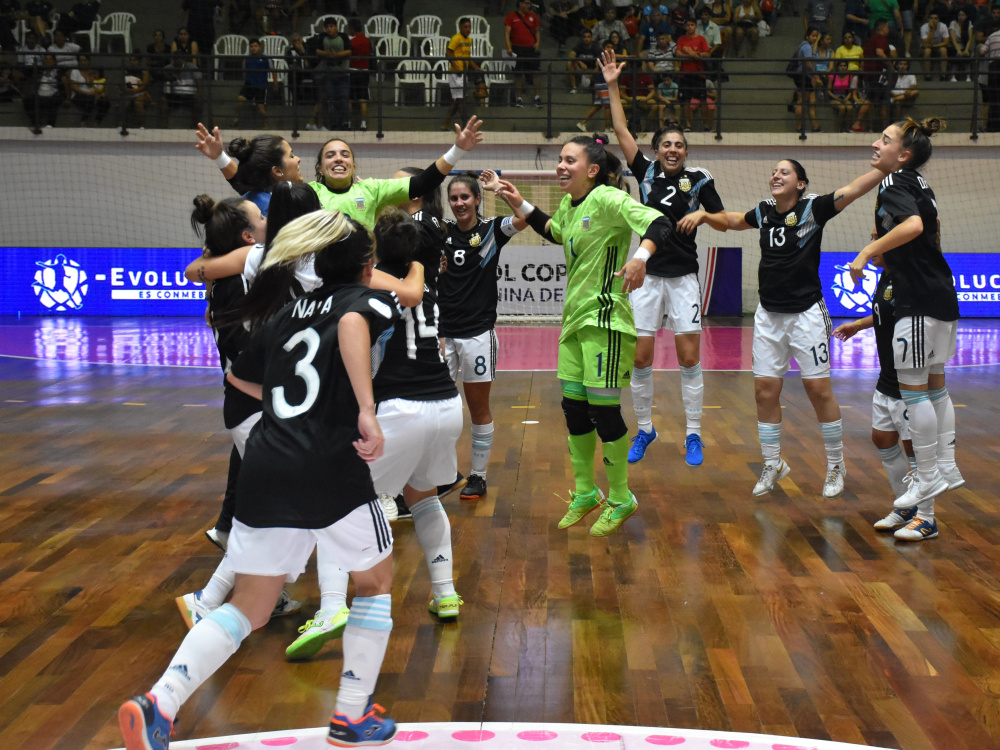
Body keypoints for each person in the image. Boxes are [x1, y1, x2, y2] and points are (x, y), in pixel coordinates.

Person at [118, 210, 402, 750]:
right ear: (367, 268)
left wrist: (284, 405)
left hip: (268, 463)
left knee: (246, 607)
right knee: (376, 582)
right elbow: (349, 326)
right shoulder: (362, 302)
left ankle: (160, 702)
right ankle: (350, 714)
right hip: (330, 466)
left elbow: (237, 378)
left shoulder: (285, 314)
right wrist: (364, 409)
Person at [495, 135, 676, 537]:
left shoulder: (609, 199)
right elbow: (556, 231)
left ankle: (621, 497)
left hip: (606, 322)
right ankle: (585, 492)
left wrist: (639, 258)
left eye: (568, 160)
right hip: (574, 322)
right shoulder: (569, 203)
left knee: (604, 411)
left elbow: (659, 223)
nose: (560, 165)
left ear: (592, 170)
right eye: (559, 159)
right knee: (573, 410)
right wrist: (517, 201)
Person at [684, 160, 884, 499]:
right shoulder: (764, 211)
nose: (776, 176)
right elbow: (733, 220)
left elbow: (853, 190)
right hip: (768, 316)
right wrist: (705, 216)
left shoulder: (813, 208)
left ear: (801, 184)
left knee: (819, 392)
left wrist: (885, 168)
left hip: (806, 313)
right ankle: (773, 462)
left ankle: (836, 464)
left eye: (784, 173)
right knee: (764, 392)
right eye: (774, 172)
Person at [601, 49, 725, 466]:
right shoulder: (646, 172)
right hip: (647, 277)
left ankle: (693, 433)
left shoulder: (700, 179)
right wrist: (614, 85)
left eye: (679, 145)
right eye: (666, 145)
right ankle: (646, 429)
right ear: (656, 151)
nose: (673, 149)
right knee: (640, 357)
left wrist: (704, 212)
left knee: (689, 357)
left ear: (686, 152)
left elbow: (725, 219)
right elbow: (620, 130)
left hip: (683, 277)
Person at [847, 117, 962, 541]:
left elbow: (912, 226)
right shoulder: (916, 181)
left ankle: (929, 479)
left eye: (885, 139)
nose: (877, 144)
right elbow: (925, 231)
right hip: (941, 295)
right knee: (935, 388)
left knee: (916, 392)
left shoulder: (895, 180)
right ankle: (942, 469)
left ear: (904, 153)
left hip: (917, 300)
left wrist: (866, 251)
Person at [435, 172, 527, 502]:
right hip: (441, 335)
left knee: (478, 409)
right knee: (435, 409)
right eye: (454, 198)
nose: (459, 203)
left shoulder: (491, 231)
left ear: (476, 199)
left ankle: (478, 475)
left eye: (465, 197)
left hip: (477, 334)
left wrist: (500, 190)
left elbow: (525, 217)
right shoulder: (439, 232)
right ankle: (439, 474)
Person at [833, 255, 918, 533]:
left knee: (914, 446)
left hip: (908, 377)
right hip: (887, 375)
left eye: (876, 238)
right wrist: (858, 325)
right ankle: (905, 508)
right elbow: (884, 313)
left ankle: (924, 514)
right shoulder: (886, 276)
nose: (871, 247)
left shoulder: (909, 275)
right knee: (882, 437)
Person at [311, 117, 484, 227]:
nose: (339, 159)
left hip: (361, 279)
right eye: (330, 155)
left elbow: (423, 182)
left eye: (345, 154)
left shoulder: (371, 189)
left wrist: (457, 151)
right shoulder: (309, 193)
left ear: (353, 166)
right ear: (320, 167)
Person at [443, 18, 479, 131]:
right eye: (465, 27)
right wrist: (457, 67)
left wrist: (476, 67)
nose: (468, 29)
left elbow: (467, 57)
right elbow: (448, 53)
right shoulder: (456, 38)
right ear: (460, 27)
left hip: (463, 73)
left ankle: (446, 123)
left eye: (469, 27)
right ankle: (466, 125)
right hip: (456, 73)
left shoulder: (469, 40)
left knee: (458, 100)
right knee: (461, 99)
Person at [675, 19, 712, 131]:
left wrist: (692, 53)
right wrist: (692, 55)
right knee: (686, 100)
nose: (690, 27)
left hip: (698, 74)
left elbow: (707, 54)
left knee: (703, 100)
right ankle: (688, 125)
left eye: (692, 25)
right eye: (688, 25)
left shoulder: (701, 39)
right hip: (685, 74)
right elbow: (678, 53)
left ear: (695, 26)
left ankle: (706, 126)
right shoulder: (682, 39)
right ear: (685, 27)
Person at [315, 17, 351, 132]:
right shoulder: (322, 37)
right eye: (327, 27)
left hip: (343, 74)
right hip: (329, 74)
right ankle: (334, 122)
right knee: (331, 100)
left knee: (343, 99)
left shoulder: (343, 37)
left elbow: (349, 51)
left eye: (332, 26)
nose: (330, 29)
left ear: (336, 27)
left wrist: (337, 55)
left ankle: (345, 122)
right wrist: (327, 54)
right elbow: (317, 51)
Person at [505, 0, 543, 107]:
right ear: (520, 4)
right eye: (526, 3)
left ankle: (537, 97)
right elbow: (507, 32)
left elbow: (537, 30)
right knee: (517, 74)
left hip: (531, 49)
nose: (528, 6)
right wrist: (509, 47)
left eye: (529, 3)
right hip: (517, 49)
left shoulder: (533, 16)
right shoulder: (511, 16)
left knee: (536, 72)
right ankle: (519, 99)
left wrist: (537, 43)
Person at [234, 38, 272, 127]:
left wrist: (275, 83)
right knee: (240, 99)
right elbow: (244, 71)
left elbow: (273, 70)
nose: (253, 48)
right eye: (251, 46)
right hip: (249, 84)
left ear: (259, 47)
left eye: (255, 46)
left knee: (260, 107)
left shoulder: (265, 58)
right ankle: (235, 119)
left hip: (260, 86)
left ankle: (265, 123)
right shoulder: (247, 59)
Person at [68, 53, 108, 126]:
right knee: (90, 99)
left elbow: (94, 85)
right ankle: (83, 121)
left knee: (106, 102)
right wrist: (87, 93)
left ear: (88, 61)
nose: (82, 62)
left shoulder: (91, 71)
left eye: (84, 60)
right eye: (80, 60)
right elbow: (74, 87)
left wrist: (91, 81)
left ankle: (97, 121)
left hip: (92, 93)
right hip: (79, 94)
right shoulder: (75, 71)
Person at [347, 17, 371, 132]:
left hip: (353, 71)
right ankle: (363, 124)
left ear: (352, 29)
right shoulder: (367, 41)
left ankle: (349, 123)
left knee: (350, 99)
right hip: (365, 72)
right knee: (363, 99)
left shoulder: (352, 42)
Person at [123, 54, 152, 129]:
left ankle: (142, 125)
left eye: (134, 60)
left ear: (139, 61)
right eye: (131, 60)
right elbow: (122, 82)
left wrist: (135, 91)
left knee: (138, 103)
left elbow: (144, 86)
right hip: (128, 92)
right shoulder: (127, 70)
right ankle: (121, 125)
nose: (132, 62)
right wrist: (127, 90)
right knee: (124, 104)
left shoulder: (144, 70)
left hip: (140, 92)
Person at [567, 27, 600, 93]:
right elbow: (571, 55)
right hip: (581, 70)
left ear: (591, 38)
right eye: (584, 37)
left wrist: (592, 72)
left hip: (591, 70)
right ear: (582, 38)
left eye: (588, 37)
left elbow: (598, 63)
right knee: (569, 63)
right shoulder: (578, 46)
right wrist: (579, 62)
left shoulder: (596, 48)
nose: (586, 39)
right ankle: (574, 88)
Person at [921, 12, 951, 79]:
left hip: (938, 45)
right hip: (927, 46)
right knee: (927, 52)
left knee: (944, 50)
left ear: (938, 20)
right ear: (928, 20)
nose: (933, 20)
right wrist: (932, 30)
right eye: (931, 18)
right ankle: (927, 75)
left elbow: (946, 42)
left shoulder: (943, 26)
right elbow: (926, 43)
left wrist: (934, 46)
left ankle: (943, 75)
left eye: (935, 18)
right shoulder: (924, 27)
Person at [949, 8, 975, 79]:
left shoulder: (969, 23)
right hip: (954, 46)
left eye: (963, 15)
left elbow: (970, 39)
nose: (961, 17)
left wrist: (966, 49)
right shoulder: (953, 23)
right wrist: (958, 50)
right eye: (959, 15)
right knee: (958, 55)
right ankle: (953, 76)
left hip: (965, 45)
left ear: (966, 16)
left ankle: (968, 76)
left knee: (966, 55)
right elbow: (953, 39)